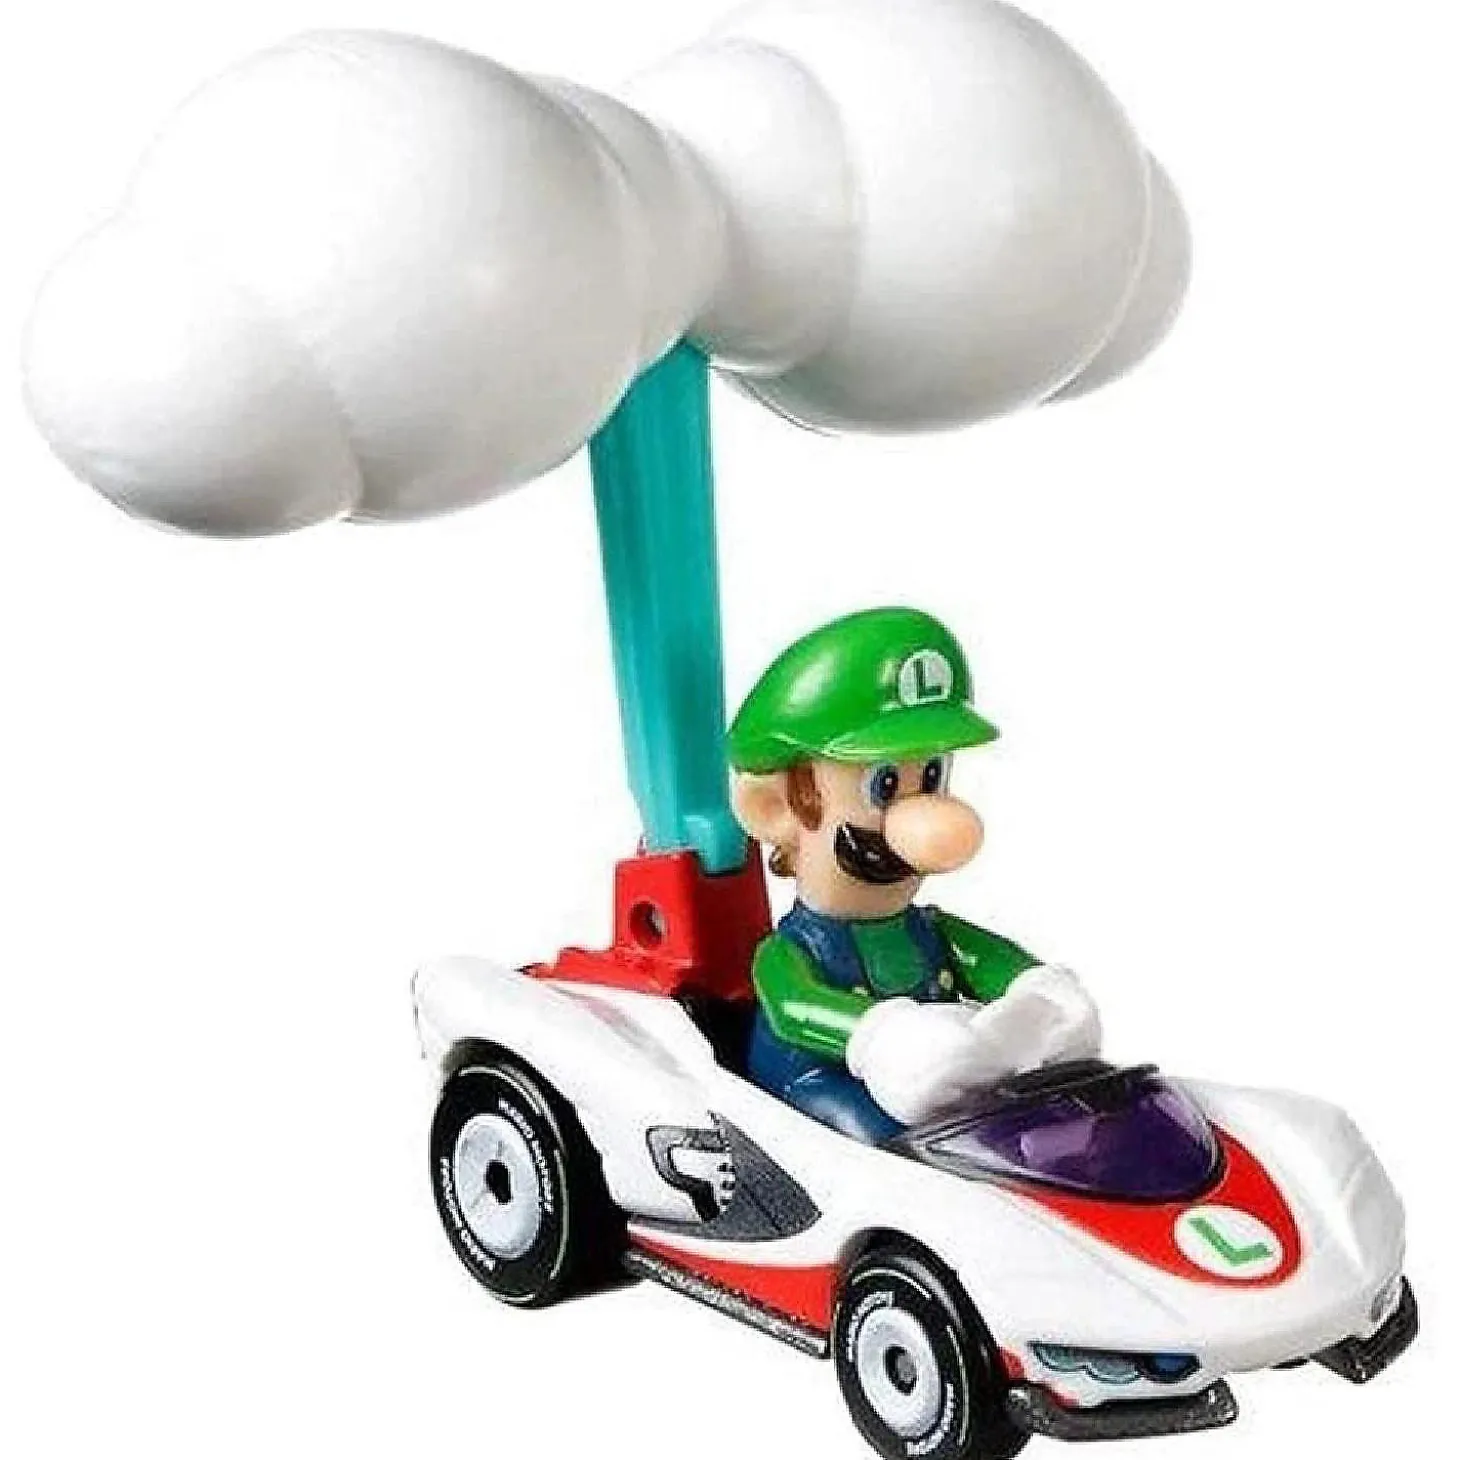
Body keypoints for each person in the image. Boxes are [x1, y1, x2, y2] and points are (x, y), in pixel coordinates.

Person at [727, 607, 1101, 1144]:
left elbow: (994, 964)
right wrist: (880, 1035)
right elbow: (794, 1008)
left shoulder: (931, 931)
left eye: (931, 776)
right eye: (883, 786)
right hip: (814, 1080)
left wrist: (1042, 993)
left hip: (926, 1086)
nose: (928, 816)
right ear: (780, 807)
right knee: (891, 1146)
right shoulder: (790, 951)